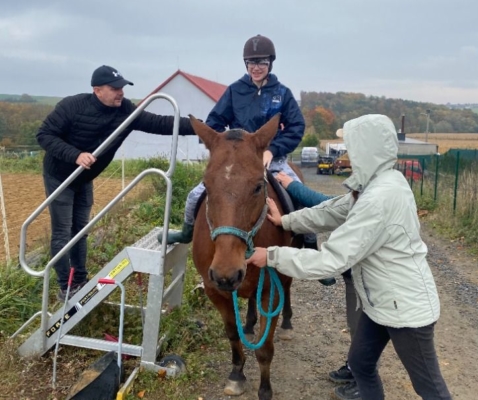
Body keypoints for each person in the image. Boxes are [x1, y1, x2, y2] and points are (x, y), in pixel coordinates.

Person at [247, 114, 452, 400]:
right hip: (380, 301)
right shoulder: (376, 182)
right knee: (361, 364)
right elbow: (330, 211)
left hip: (405, 310)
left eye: (351, 147)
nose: (347, 154)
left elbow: (330, 261)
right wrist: (286, 222)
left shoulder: (379, 199)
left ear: (366, 149)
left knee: (429, 388)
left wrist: (270, 255)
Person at [37, 65, 196, 302]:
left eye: (122, 87)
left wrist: (201, 127)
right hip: (60, 176)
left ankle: (79, 279)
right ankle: (65, 287)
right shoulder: (72, 107)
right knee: (63, 232)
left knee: (80, 230)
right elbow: (44, 135)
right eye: (114, 88)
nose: (120, 92)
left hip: (84, 178)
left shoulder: (125, 111)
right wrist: (75, 154)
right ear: (97, 90)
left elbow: (160, 123)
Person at [162, 34, 305, 245]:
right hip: (238, 159)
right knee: (194, 196)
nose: (256, 67)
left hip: (272, 158)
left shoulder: (282, 93)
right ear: (246, 63)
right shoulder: (235, 91)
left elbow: (296, 126)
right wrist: (227, 149)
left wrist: (273, 149)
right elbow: (215, 122)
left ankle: (308, 243)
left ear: (270, 63)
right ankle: (187, 232)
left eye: (262, 62)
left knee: (301, 195)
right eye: (251, 63)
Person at [275, 171, 361, 397]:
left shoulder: (373, 199)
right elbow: (329, 207)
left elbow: (325, 207)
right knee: (357, 324)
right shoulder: (361, 194)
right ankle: (356, 367)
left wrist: (272, 256)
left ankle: (364, 380)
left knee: (364, 327)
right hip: (358, 274)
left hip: (371, 278)